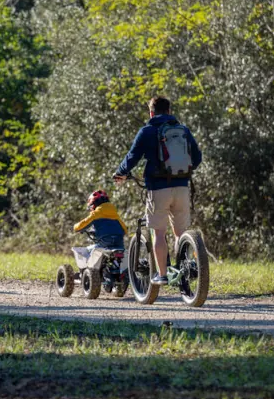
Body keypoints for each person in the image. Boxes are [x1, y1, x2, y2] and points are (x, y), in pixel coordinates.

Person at [112, 96, 201, 285]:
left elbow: (132, 157)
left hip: (158, 188)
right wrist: (181, 171)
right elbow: (197, 157)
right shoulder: (183, 130)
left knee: (159, 233)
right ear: (169, 111)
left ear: (151, 113)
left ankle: (162, 275)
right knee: (180, 232)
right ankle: (183, 270)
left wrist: (121, 173)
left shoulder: (147, 131)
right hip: (182, 187)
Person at [70, 189, 128, 272]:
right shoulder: (115, 215)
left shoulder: (96, 213)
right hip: (119, 244)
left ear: (93, 205)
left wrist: (75, 227)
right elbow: (125, 230)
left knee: (88, 250)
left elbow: (82, 225)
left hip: (104, 243)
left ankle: (89, 273)